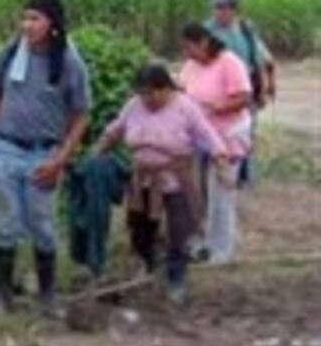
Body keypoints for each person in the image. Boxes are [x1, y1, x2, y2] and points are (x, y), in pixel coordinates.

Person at [0, 0, 91, 316]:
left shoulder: (68, 60)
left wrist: (60, 159)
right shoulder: (10, 53)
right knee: (5, 223)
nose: (27, 25)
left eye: (35, 18)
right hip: (5, 147)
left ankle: (48, 296)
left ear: (52, 23)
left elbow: (81, 114)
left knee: (42, 224)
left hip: (44, 153)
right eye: (24, 18)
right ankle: (1, 293)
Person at [94, 62, 229, 304]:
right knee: (140, 231)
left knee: (180, 233)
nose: (147, 99)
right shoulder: (133, 106)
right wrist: (97, 152)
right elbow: (115, 130)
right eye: (143, 93)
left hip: (176, 178)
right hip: (144, 179)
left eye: (152, 93)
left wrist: (220, 156)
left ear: (166, 88)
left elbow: (207, 133)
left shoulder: (185, 107)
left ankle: (176, 280)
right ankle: (149, 265)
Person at [179, 21, 251, 264]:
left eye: (190, 48)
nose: (187, 54)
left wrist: (220, 106)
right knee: (200, 193)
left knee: (221, 193)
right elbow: (183, 88)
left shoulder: (229, 62)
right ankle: (204, 241)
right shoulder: (191, 64)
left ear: (203, 43)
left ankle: (221, 250)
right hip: (201, 138)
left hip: (228, 136)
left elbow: (244, 97)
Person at [205, 0, 276, 186]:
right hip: (221, 90)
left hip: (247, 88)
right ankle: (224, 171)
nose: (219, 12)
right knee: (222, 131)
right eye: (217, 7)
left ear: (234, 10)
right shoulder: (208, 31)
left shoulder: (246, 29)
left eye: (224, 7)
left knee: (246, 130)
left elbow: (260, 59)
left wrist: (264, 88)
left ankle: (243, 175)